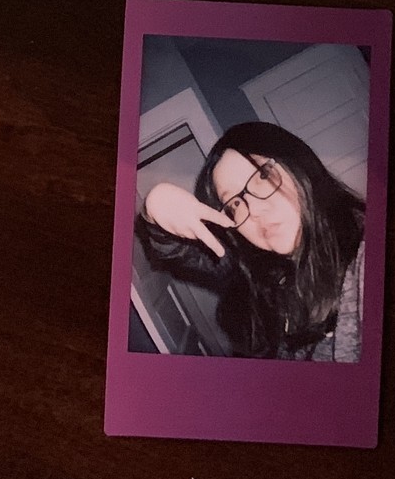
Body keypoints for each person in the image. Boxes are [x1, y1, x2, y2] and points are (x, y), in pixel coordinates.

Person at [137, 121, 365, 362]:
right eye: (235, 203)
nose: (253, 210)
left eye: (263, 176)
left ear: (300, 164)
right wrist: (155, 206)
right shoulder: (259, 269)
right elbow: (182, 253)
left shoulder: (365, 260)